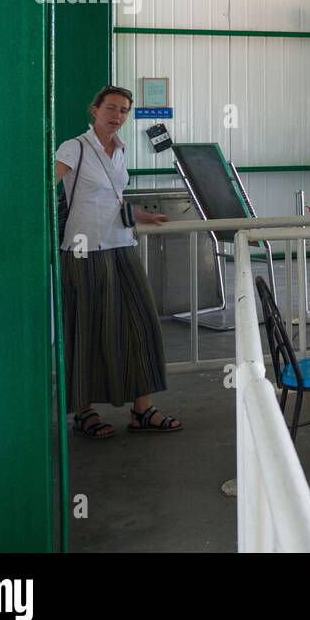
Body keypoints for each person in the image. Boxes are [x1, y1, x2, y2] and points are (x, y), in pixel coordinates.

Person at [55, 86, 181, 439]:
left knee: (140, 324)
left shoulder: (120, 150)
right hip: (84, 251)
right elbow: (43, 185)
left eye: (124, 110)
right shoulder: (74, 147)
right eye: (111, 108)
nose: (117, 115)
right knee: (88, 328)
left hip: (121, 244)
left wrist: (143, 215)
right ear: (94, 109)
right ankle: (85, 412)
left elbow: (114, 199)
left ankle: (143, 410)